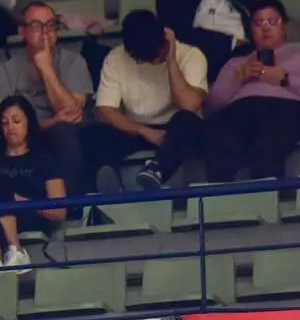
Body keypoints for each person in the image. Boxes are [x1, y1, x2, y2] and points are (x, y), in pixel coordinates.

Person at [204, 0, 300, 182]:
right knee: (220, 135)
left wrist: (284, 79)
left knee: (267, 142)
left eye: (272, 22)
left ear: (284, 26)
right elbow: (212, 106)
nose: (265, 28)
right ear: (251, 30)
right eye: (258, 23)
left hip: (285, 109)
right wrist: (239, 79)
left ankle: (266, 191)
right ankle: (220, 195)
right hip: (240, 112)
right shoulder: (236, 63)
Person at [86, 11, 208, 190]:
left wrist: (171, 60)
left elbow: (189, 105)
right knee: (93, 134)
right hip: (136, 127)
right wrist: (143, 131)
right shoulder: (116, 58)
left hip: (176, 129)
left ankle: (157, 170)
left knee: (188, 123)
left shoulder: (191, 55)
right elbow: (105, 109)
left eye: (157, 55)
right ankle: (111, 187)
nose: (154, 61)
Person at [0, 2, 93, 196]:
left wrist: (47, 69)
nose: (45, 32)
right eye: (36, 26)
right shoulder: (8, 69)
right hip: (24, 137)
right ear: (23, 31)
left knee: (63, 133)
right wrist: (51, 121)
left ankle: (71, 208)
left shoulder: (74, 62)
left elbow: (72, 113)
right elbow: (1, 120)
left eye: (50, 25)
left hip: (66, 137)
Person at [0, 96, 67, 272]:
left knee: (0, 188)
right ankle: (8, 252)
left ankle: (1, 252)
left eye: (16, 121)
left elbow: (59, 212)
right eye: (4, 123)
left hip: (30, 216)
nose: (10, 127)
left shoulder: (44, 159)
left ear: (29, 122)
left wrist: (17, 200)